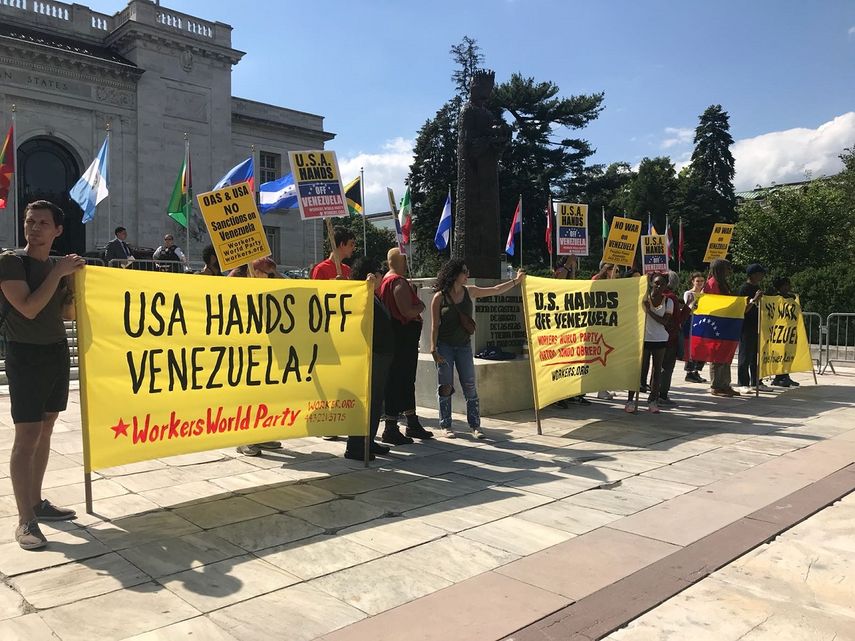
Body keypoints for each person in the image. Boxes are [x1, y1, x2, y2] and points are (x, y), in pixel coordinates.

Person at [0, 200, 86, 550]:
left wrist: (77, 285)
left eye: (42, 223)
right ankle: (25, 520)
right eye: (29, 221)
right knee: (27, 435)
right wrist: (59, 273)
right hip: (25, 353)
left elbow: (65, 313)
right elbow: (29, 308)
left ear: (57, 230)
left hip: (55, 352)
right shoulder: (10, 261)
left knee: (47, 427)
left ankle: (37, 502)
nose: (34, 228)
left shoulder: (56, 266)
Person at [430, 259, 524, 438]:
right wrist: (433, 349)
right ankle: (446, 425)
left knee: (470, 385)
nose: (467, 275)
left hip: (464, 346)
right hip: (445, 346)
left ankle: (475, 425)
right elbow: (435, 326)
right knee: (445, 386)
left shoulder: (469, 291)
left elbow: (495, 290)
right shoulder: (439, 297)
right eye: (465, 271)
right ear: (455, 274)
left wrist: (516, 281)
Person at [229, 256, 284, 456]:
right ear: (258, 271)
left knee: (265, 391)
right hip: (243, 345)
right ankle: (244, 439)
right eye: (269, 274)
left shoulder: (264, 279)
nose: (272, 278)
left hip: (265, 343)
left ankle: (263, 434)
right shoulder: (236, 278)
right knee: (246, 393)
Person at [380, 247, 433, 444]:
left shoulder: (385, 280)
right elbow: (407, 311)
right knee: (400, 381)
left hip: (396, 338)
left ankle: (411, 422)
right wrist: (420, 305)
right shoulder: (397, 282)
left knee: (401, 381)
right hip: (402, 339)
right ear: (400, 261)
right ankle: (392, 427)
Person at [344, 257, 393, 461]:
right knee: (367, 403)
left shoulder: (375, 296)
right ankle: (356, 447)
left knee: (375, 404)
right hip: (371, 356)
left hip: (382, 355)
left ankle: (368, 441)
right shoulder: (362, 297)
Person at [626, 273, 672, 414]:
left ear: (666, 286)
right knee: (639, 370)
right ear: (651, 283)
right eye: (657, 283)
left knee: (657, 371)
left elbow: (665, 321)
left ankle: (653, 400)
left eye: (662, 284)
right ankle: (630, 400)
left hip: (660, 339)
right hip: (643, 339)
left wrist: (649, 310)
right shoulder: (643, 298)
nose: (659, 286)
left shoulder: (667, 302)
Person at [702, 259, 740, 396]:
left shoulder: (722, 283)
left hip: (725, 324)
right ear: (719, 270)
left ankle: (725, 384)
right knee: (717, 357)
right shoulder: (712, 284)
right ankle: (716, 385)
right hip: (715, 325)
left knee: (726, 355)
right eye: (727, 268)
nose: (729, 271)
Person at [657, 271, 691, 406]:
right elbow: (678, 320)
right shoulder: (671, 298)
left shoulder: (656, 296)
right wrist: (688, 306)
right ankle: (662, 395)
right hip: (670, 338)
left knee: (657, 367)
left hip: (657, 338)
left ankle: (655, 394)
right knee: (667, 368)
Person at [737, 263, 770, 394]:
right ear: (754, 274)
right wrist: (754, 300)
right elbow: (743, 309)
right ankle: (742, 382)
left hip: (757, 326)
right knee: (745, 355)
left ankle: (756, 381)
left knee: (756, 356)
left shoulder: (757, 287)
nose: (762, 276)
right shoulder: (744, 289)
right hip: (747, 326)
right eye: (761, 274)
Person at [770, 276, 800, 388]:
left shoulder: (791, 298)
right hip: (778, 332)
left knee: (788, 354)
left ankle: (785, 376)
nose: (789, 287)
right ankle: (779, 377)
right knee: (780, 354)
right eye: (786, 285)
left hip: (789, 331)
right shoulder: (776, 298)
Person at [683, 272, 707, 383]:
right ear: (693, 281)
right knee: (690, 347)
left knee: (700, 347)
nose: (700, 283)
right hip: (691, 321)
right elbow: (689, 307)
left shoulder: (705, 294)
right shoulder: (689, 293)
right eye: (697, 281)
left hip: (702, 322)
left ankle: (696, 370)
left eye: (702, 281)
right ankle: (689, 372)